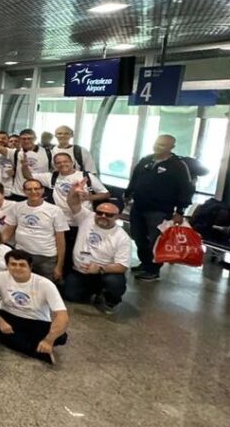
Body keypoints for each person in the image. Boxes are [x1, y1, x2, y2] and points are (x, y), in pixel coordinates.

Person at [0, 249, 70, 365]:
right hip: (8, 317)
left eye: (22, 265)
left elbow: (62, 316)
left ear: (30, 266)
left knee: (61, 337)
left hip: (36, 321)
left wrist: (48, 340)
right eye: (13, 264)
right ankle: (37, 352)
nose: (17, 268)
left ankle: (4, 338)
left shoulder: (45, 284)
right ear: (7, 265)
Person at [124, 134, 195, 281]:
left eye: (163, 145)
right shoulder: (146, 160)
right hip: (139, 207)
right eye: (157, 143)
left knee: (155, 241)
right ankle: (145, 263)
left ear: (171, 147)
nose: (158, 146)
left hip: (160, 210)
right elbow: (135, 179)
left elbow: (186, 189)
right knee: (138, 238)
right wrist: (128, 194)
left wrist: (180, 211)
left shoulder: (178, 165)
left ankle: (153, 269)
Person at [63, 186, 131, 314]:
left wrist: (100, 268)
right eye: (99, 213)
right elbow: (72, 202)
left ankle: (110, 300)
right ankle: (93, 291)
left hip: (103, 272)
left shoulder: (122, 237)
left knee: (115, 282)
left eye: (109, 215)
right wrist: (74, 190)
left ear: (118, 217)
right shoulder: (87, 218)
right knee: (70, 295)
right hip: (80, 270)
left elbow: (122, 266)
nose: (103, 216)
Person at [1, 179, 68, 281]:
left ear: (42, 190)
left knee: (45, 289)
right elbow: (8, 231)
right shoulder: (17, 207)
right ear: (24, 191)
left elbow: (61, 241)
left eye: (36, 189)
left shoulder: (55, 210)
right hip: (21, 255)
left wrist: (59, 266)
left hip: (46, 257)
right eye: (29, 189)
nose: (33, 192)